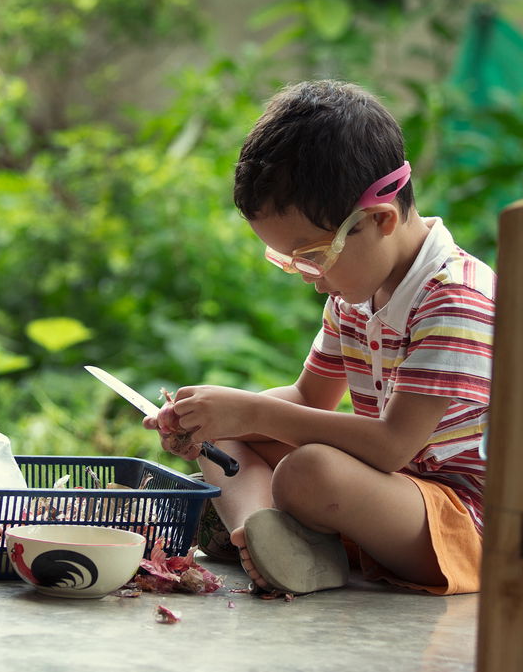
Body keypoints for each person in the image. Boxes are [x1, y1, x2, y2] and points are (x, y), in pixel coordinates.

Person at [145, 80, 493, 596]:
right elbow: (310, 399)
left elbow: (393, 446)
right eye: (290, 260)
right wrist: (215, 416)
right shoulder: (354, 293)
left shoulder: (454, 299)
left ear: (379, 219)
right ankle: (263, 538)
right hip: (389, 495)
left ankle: (282, 536)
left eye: (310, 255)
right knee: (221, 432)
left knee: (311, 471)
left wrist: (255, 413)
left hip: (465, 521)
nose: (306, 274)